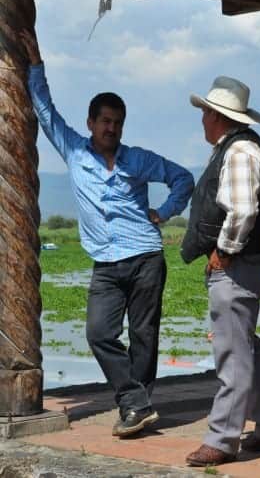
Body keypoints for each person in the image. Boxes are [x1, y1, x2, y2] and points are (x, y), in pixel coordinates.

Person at [21, 29, 194, 437]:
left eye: (117, 123)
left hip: (146, 256)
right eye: (105, 121)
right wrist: (35, 65)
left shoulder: (138, 160)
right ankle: (137, 402)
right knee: (99, 332)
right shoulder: (75, 151)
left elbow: (183, 179)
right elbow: (45, 112)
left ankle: (136, 409)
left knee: (143, 335)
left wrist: (165, 212)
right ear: (91, 123)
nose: (111, 128)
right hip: (106, 263)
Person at [181, 76, 260, 467]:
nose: (201, 120)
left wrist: (224, 252)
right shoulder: (237, 148)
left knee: (232, 351)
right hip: (247, 264)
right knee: (246, 345)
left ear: (215, 115)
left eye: (204, 113)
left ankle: (223, 438)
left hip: (238, 264)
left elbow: (243, 211)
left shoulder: (240, 152)